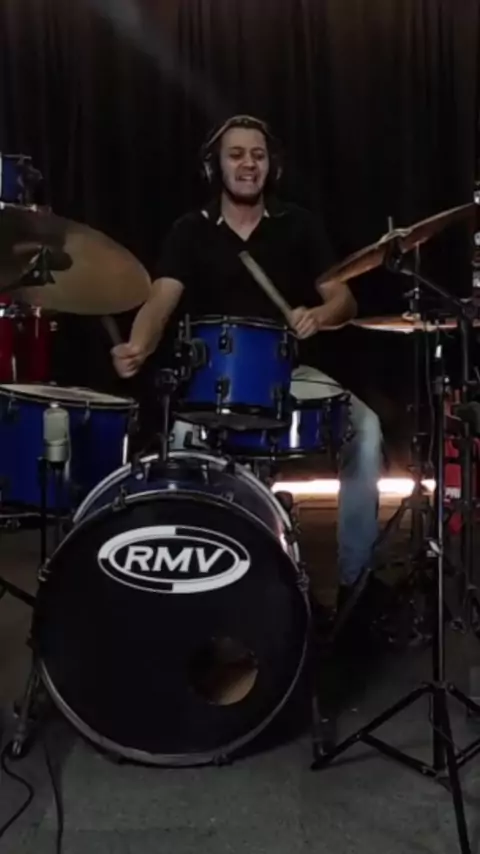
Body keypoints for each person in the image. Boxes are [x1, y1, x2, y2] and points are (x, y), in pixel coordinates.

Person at [111, 115, 383, 610]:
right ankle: (191, 587)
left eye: (257, 155)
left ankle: (355, 584)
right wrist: (139, 346)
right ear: (215, 166)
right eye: (235, 154)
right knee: (178, 449)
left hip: (286, 377)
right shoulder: (191, 230)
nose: (248, 164)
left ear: (270, 166)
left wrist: (319, 315)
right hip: (207, 384)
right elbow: (160, 301)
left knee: (365, 430)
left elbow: (344, 300)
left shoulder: (298, 224)